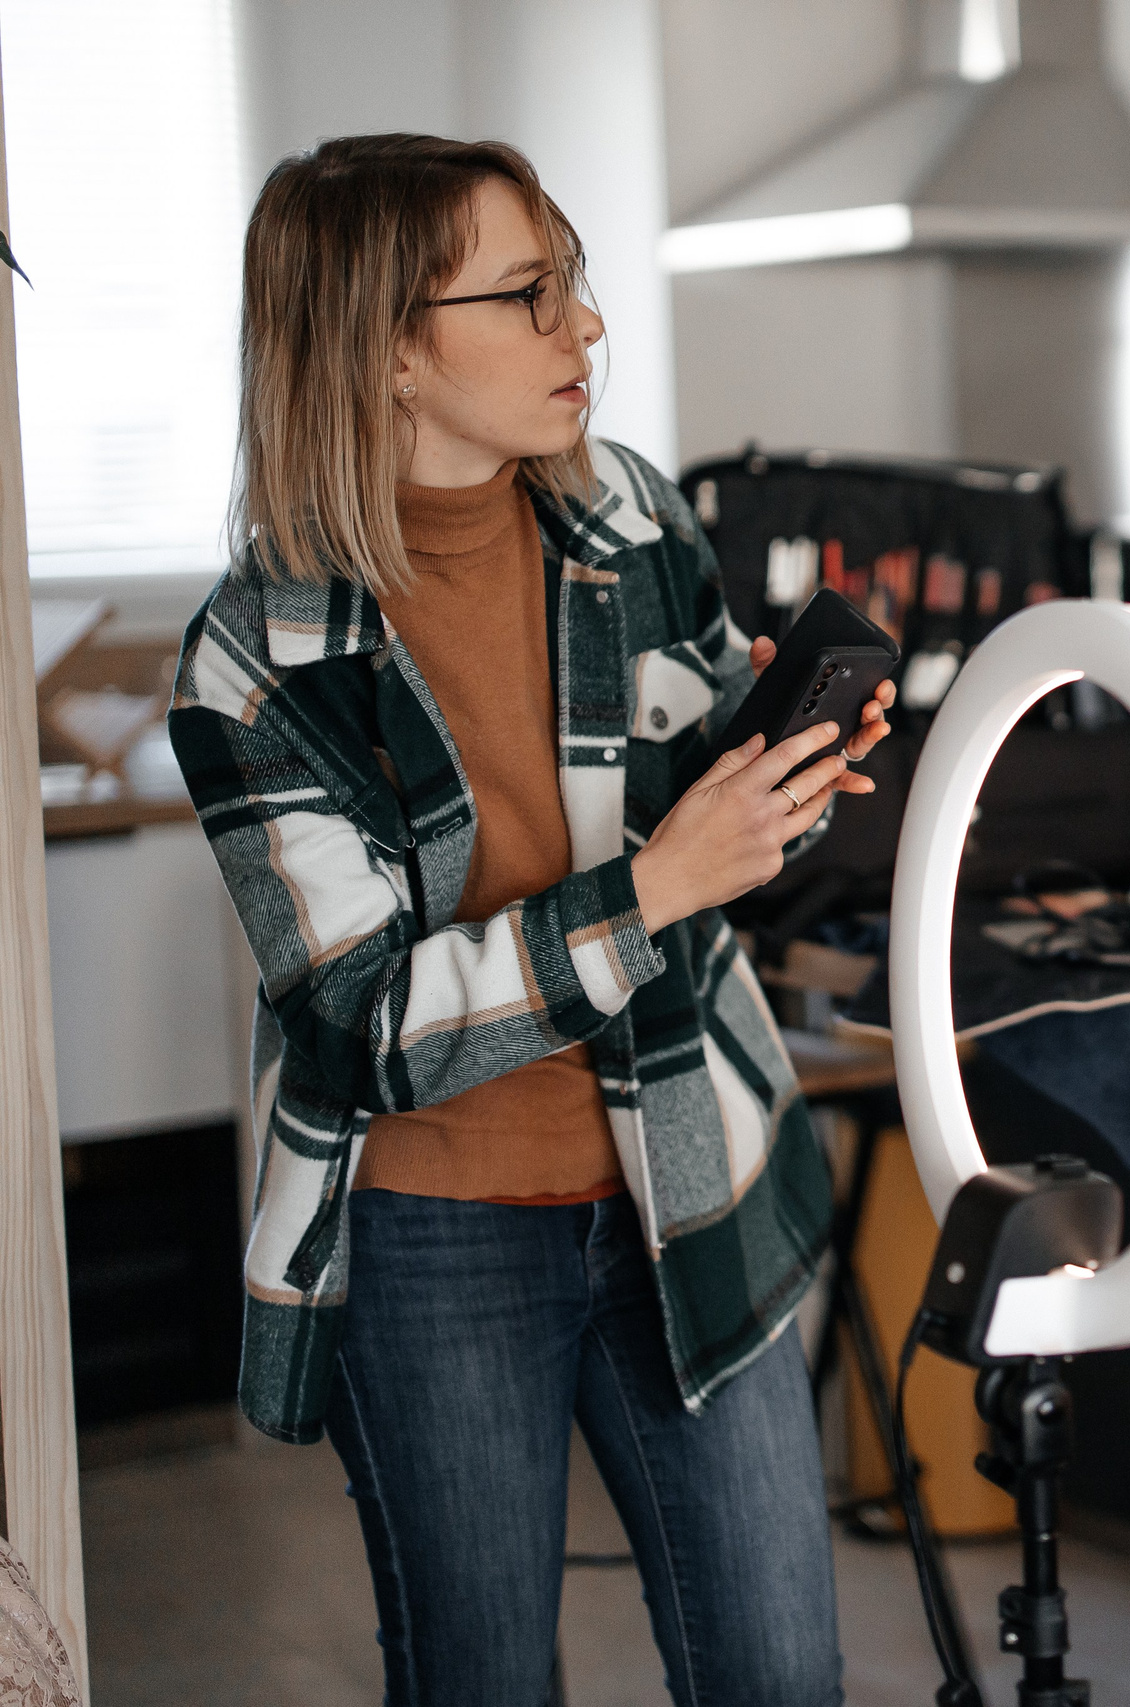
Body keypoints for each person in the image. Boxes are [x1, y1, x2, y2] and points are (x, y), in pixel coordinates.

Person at [168, 134, 888, 1707]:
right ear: (387, 353)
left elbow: (707, 817)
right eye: (529, 293)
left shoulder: (625, 516)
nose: (588, 329)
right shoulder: (255, 658)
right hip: (431, 1238)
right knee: (481, 1675)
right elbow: (356, 1026)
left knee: (779, 1674)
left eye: (574, 282)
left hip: (688, 1169)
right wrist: (656, 885)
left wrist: (783, 778)